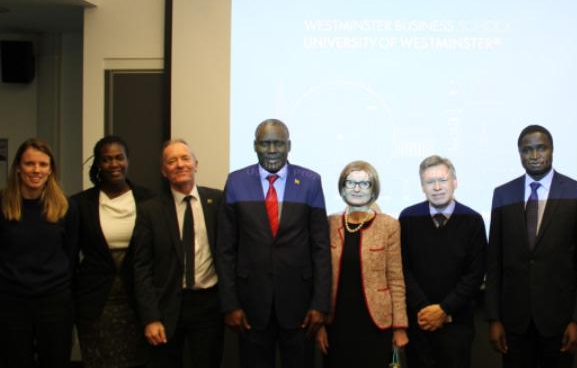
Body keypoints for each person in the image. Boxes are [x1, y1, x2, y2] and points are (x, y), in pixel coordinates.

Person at [218, 119, 331, 368]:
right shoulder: (236, 182)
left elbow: (321, 247)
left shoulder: (310, 181)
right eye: (265, 143)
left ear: (289, 146)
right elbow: (225, 249)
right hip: (250, 306)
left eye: (278, 143)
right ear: (255, 146)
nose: (271, 150)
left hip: (300, 305)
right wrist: (230, 304)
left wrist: (320, 304)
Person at [485, 125, 577, 368]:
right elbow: (494, 262)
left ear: (552, 150)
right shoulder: (503, 194)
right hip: (514, 323)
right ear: (519, 154)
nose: (534, 156)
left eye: (541, 148)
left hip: (560, 321)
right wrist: (494, 318)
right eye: (527, 150)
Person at [131, 139, 224, 368]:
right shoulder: (149, 210)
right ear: (164, 171)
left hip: (209, 305)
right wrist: (151, 318)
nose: (180, 164)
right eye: (172, 161)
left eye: (185, 158)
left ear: (196, 164)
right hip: (167, 307)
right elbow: (141, 267)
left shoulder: (218, 201)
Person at [72, 136, 155, 368]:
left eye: (119, 158)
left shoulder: (149, 200)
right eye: (106, 159)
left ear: (128, 160)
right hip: (96, 302)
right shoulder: (80, 204)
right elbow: (70, 256)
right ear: (98, 164)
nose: (114, 164)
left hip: (137, 302)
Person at [315, 160, 408, 368]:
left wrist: (399, 327)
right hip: (336, 324)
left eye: (364, 184)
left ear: (373, 189)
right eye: (350, 183)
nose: (357, 189)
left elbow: (396, 279)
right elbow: (319, 276)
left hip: (376, 324)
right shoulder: (328, 224)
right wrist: (319, 324)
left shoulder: (389, 225)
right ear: (342, 188)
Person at [398, 155, 486, 368]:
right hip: (419, 322)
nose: (437, 187)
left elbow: (475, 274)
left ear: (455, 182)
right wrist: (426, 310)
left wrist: (444, 310)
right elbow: (402, 269)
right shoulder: (407, 218)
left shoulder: (473, 220)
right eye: (430, 182)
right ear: (422, 186)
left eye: (443, 180)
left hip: (457, 323)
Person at [0, 138, 79, 368]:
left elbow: (71, 254)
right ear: (18, 167)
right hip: (11, 302)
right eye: (29, 164)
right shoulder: (3, 203)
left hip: (54, 302)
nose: (36, 170)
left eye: (43, 164)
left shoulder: (67, 207)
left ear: (51, 169)